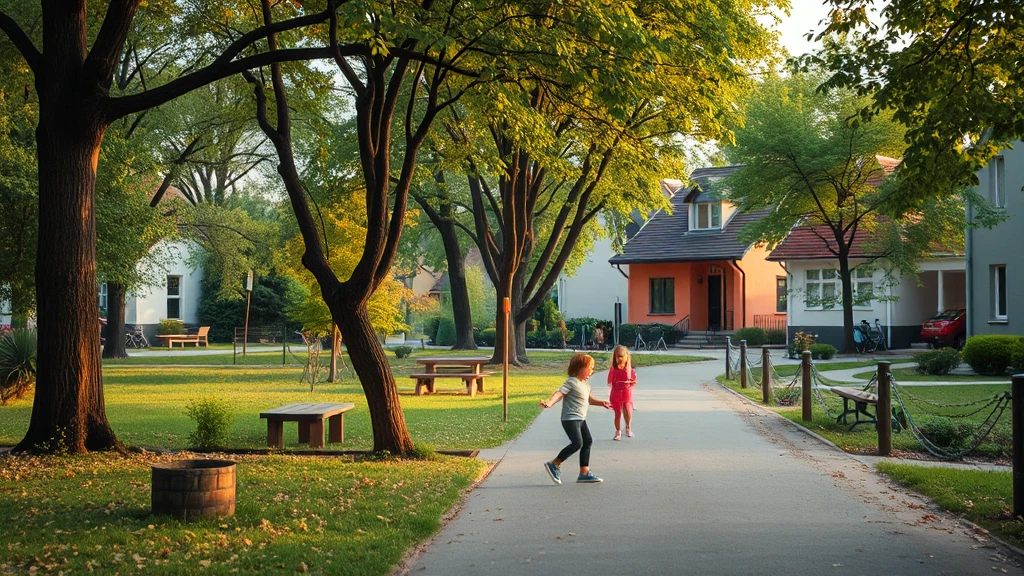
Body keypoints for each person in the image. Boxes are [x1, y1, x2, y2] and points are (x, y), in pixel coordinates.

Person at [540, 353, 612, 484]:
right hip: (570, 419)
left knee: (588, 441)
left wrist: (602, 403)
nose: (592, 371)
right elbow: (559, 393)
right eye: (589, 367)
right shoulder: (571, 382)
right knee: (577, 443)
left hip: (581, 418)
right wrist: (549, 403)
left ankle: (584, 473)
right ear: (579, 367)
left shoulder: (585, 385)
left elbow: (588, 400)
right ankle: (554, 464)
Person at [607, 345, 636, 440]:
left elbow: (634, 381)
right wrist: (615, 382)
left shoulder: (629, 369)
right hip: (616, 392)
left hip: (627, 392)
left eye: (622, 356)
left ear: (626, 357)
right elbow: (609, 381)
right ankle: (618, 431)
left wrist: (630, 382)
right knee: (618, 412)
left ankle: (628, 427)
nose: (619, 359)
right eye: (617, 357)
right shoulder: (613, 369)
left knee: (627, 409)